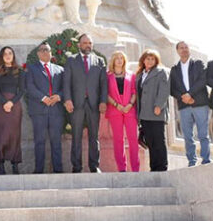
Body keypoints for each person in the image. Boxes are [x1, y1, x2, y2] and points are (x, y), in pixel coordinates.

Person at [64, 33, 108, 172]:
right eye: (84, 43)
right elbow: (66, 82)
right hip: (76, 104)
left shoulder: (99, 61)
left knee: (94, 137)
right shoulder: (71, 61)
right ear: (79, 45)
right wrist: (67, 99)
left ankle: (94, 166)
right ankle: (76, 167)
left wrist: (103, 101)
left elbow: (103, 84)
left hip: (94, 104)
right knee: (76, 136)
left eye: (90, 43)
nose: (87, 45)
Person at [169, 41, 211, 167]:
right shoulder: (174, 69)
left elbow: (202, 80)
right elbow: (172, 88)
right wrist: (183, 97)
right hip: (184, 106)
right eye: (181, 48)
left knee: (203, 134)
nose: (184, 49)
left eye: (186, 47)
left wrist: (190, 94)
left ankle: (205, 160)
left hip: (200, 104)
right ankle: (191, 161)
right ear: (177, 51)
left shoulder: (198, 64)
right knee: (187, 136)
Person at [25, 42, 64, 174]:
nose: (44, 52)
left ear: (51, 52)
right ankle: (39, 171)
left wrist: (59, 96)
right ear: (38, 54)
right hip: (39, 111)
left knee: (56, 142)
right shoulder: (32, 68)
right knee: (39, 142)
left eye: (47, 50)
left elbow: (66, 88)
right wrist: (43, 98)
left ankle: (58, 170)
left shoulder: (60, 69)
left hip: (56, 111)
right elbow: (29, 87)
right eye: (41, 50)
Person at [0, 46, 26, 174]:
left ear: (13, 55)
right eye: (5, 53)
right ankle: (1, 165)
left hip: (15, 106)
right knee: (0, 134)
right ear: (1, 56)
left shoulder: (20, 71)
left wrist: (11, 102)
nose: (7, 55)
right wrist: (4, 102)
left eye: (10, 53)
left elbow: (22, 90)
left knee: (14, 135)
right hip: (0, 105)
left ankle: (15, 165)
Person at [105, 51, 139, 172]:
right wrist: (116, 105)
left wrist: (130, 104)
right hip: (115, 110)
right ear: (113, 60)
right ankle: (122, 168)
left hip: (129, 110)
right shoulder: (107, 76)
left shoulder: (131, 75)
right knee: (118, 140)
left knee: (133, 139)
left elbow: (135, 92)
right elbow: (106, 93)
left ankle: (135, 168)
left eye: (122, 58)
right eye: (117, 58)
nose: (119, 60)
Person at [137, 49, 169, 171]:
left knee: (159, 140)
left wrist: (158, 105)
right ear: (143, 60)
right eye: (147, 58)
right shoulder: (140, 75)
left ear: (156, 61)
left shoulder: (161, 72)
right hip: (144, 114)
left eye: (152, 59)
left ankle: (162, 167)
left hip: (156, 112)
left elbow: (164, 90)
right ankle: (154, 167)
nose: (150, 61)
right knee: (150, 141)